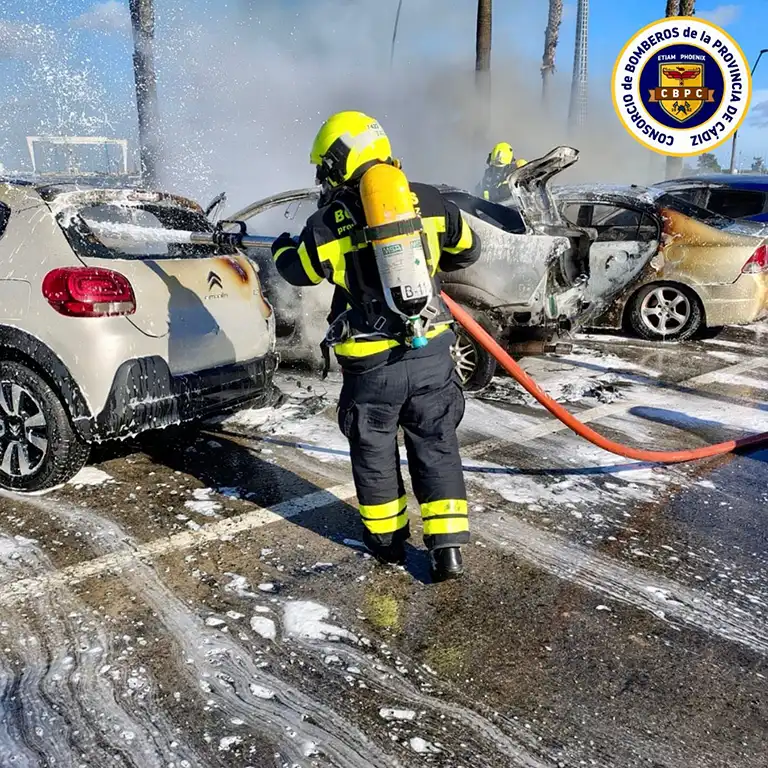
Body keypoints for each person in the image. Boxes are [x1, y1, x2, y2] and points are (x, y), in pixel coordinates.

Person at [271, 111, 481, 582]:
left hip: (371, 366)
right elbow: (468, 250)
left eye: (326, 165)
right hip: (429, 352)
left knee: (374, 451)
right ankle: (448, 550)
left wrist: (284, 246)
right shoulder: (427, 199)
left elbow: (299, 272)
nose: (323, 176)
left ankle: (387, 543)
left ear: (341, 159)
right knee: (437, 444)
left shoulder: (328, 222)